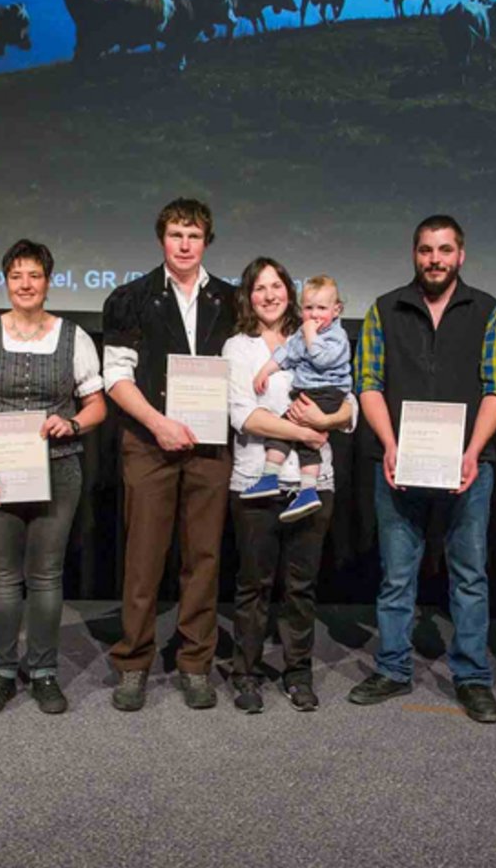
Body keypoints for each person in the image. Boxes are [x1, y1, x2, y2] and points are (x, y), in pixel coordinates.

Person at [347, 214, 496, 722]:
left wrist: (472, 451)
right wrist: (391, 444)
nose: (435, 259)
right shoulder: (385, 309)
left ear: (461, 255)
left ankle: (471, 676)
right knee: (397, 576)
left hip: (469, 465)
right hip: (399, 462)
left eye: (445, 250)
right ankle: (394, 668)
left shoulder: (488, 309)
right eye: (426, 250)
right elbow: (369, 381)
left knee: (469, 575)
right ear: (414, 254)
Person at [0, 240, 106, 716]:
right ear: (5, 281)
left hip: (57, 471)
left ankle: (42, 671)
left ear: (48, 281)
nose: (25, 284)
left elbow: (97, 405)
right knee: (1, 576)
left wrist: (74, 423)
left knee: (45, 576)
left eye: (34, 275)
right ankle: (1, 671)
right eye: (16, 275)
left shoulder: (74, 337)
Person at [102, 197, 237, 711]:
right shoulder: (130, 298)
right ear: (162, 238)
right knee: (144, 559)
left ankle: (195, 662)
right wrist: (158, 424)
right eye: (176, 234)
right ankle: (133, 662)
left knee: (202, 557)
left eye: (195, 236)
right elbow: (116, 376)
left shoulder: (231, 300)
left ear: (207, 242)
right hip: (149, 442)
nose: (185, 245)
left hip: (210, 448)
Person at [223, 259, 356, 713]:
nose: (268, 295)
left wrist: (328, 419)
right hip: (255, 481)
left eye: (276, 285)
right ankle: (246, 673)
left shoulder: (319, 336)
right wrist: (307, 433)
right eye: (259, 288)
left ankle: (298, 673)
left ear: (290, 291)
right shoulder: (238, 348)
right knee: (254, 586)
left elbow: (350, 407)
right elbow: (243, 413)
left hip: (315, 484)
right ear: (249, 296)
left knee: (300, 587)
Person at [243, 274, 352, 523]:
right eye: (308, 308)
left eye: (322, 308)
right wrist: (264, 371)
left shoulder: (336, 337)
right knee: (300, 439)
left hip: (328, 392)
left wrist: (311, 335)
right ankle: (301, 489)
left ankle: (286, 482)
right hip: (308, 392)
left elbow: (321, 359)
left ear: (336, 310)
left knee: (286, 428)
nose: (314, 315)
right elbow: (286, 355)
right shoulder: (301, 334)